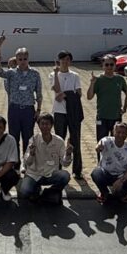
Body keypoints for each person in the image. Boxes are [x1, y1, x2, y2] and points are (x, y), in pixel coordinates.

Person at [0, 47, 43, 154]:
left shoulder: (35, 73)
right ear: (16, 59)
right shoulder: (11, 73)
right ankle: (15, 161)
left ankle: (27, 160)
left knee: (28, 137)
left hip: (28, 110)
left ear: (28, 59)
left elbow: (39, 93)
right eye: (20, 59)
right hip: (14, 109)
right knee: (13, 137)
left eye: (25, 59)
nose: (22, 61)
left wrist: (38, 109)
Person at [18, 113, 72, 204]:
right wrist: (31, 154)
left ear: (52, 125)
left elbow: (64, 163)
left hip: (50, 174)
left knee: (65, 176)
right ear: (39, 125)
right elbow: (27, 162)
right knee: (24, 192)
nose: (44, 126)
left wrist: (68, 154)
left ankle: (49, 192)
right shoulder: (33, 140)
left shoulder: (59, 141)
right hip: (34, 174)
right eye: (42, 124)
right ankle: (37, 190)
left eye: (47, 124)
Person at [51, 51, 84, 179]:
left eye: (67, 59)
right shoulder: (53, 74)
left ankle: (77, 170)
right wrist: (55, 73)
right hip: (59, 112)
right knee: (59, 140)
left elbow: (79, 93)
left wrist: (66, 94)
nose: (65, 62)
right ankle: (57, 168)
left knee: (75, 140)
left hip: (73, 112)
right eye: (62, 59)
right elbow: (56, 90)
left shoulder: (75, 75)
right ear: (58, 60)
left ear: (70, 61)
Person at [91, 122, 127, 204]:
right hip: (106, 173)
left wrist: (121, 181)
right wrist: (98, 148)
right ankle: (104, 193)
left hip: (121, 175)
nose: (121, 135)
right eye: (118, 132)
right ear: (113, 132)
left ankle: (121, 194)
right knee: (96, 173)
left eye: (123, 133)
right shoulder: (106, 140)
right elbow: (98, 147)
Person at [87, 55, 127, 141]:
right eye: (106, 65)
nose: (109, 67)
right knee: (101, 141)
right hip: (101, 117)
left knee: (116, 141)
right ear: (102, 66)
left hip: (116, 116)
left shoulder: (120, 79)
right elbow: (89, 97)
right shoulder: (98, 79)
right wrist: (92, 83)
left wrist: (124, 108)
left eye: (111, 64)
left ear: (115, 65)